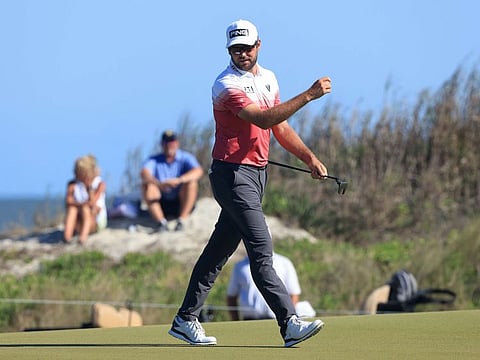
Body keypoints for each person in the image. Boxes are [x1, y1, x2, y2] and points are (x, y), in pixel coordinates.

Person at [168, 19, 331, 347]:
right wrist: (309, 95)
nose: (241, 53)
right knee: (261, 248)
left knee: (218, 252)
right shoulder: (226, 84)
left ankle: (185, 319)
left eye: (246, 47)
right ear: (229, 50)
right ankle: (289, 323)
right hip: (232, 175)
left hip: (256, 175)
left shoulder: (268, 78)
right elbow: (263, 119)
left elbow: (279, 128)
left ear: (259, 45)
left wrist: (310, 158)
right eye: (235, 48)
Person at [141, 130, 204, 232]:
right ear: (162, 144)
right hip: (162, 202)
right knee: (148, 186)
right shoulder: (154, 160)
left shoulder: (185, 157)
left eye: (172, 142)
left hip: (180, 201)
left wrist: (179, 180)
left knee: (192, 183)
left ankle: (182, 220)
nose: (169, 145)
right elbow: (144, 173)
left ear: (177, 143)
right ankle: (161, 222)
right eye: (166, 143)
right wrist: (159, 184)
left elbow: (198, 171)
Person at [227, 252, 301, 321]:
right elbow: (231, 296)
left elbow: (294, 294)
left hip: (276, 319)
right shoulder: (240, 266)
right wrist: (236, 320)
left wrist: (288, 318)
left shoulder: (283, 263)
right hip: (249, 320)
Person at [64, 155, 107, 244]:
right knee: (73, 209)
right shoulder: (73, 185)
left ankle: (82, 238)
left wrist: (89, 188)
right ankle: (67, 238)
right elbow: (68, 201)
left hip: (95, 220)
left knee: (85, 209)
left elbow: (92, 203)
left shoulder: (99, 184)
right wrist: (82, 204)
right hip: (79, 219)